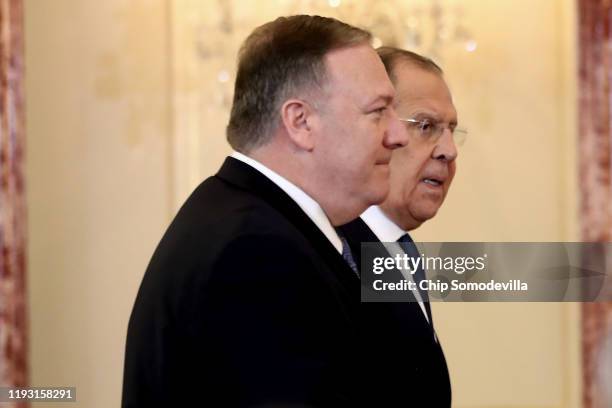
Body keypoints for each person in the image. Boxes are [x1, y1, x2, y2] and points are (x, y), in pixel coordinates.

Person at [122, 16, 408, 407]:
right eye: (378, 112)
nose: (399, 135)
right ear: (300, 122)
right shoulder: (255, 252)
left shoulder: (247, 219)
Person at [339, 47, 463, 407]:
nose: (449, 151)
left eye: (452, 131)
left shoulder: (397, 251)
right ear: (379, 129)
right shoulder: (334, 249)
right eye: (426, 127)